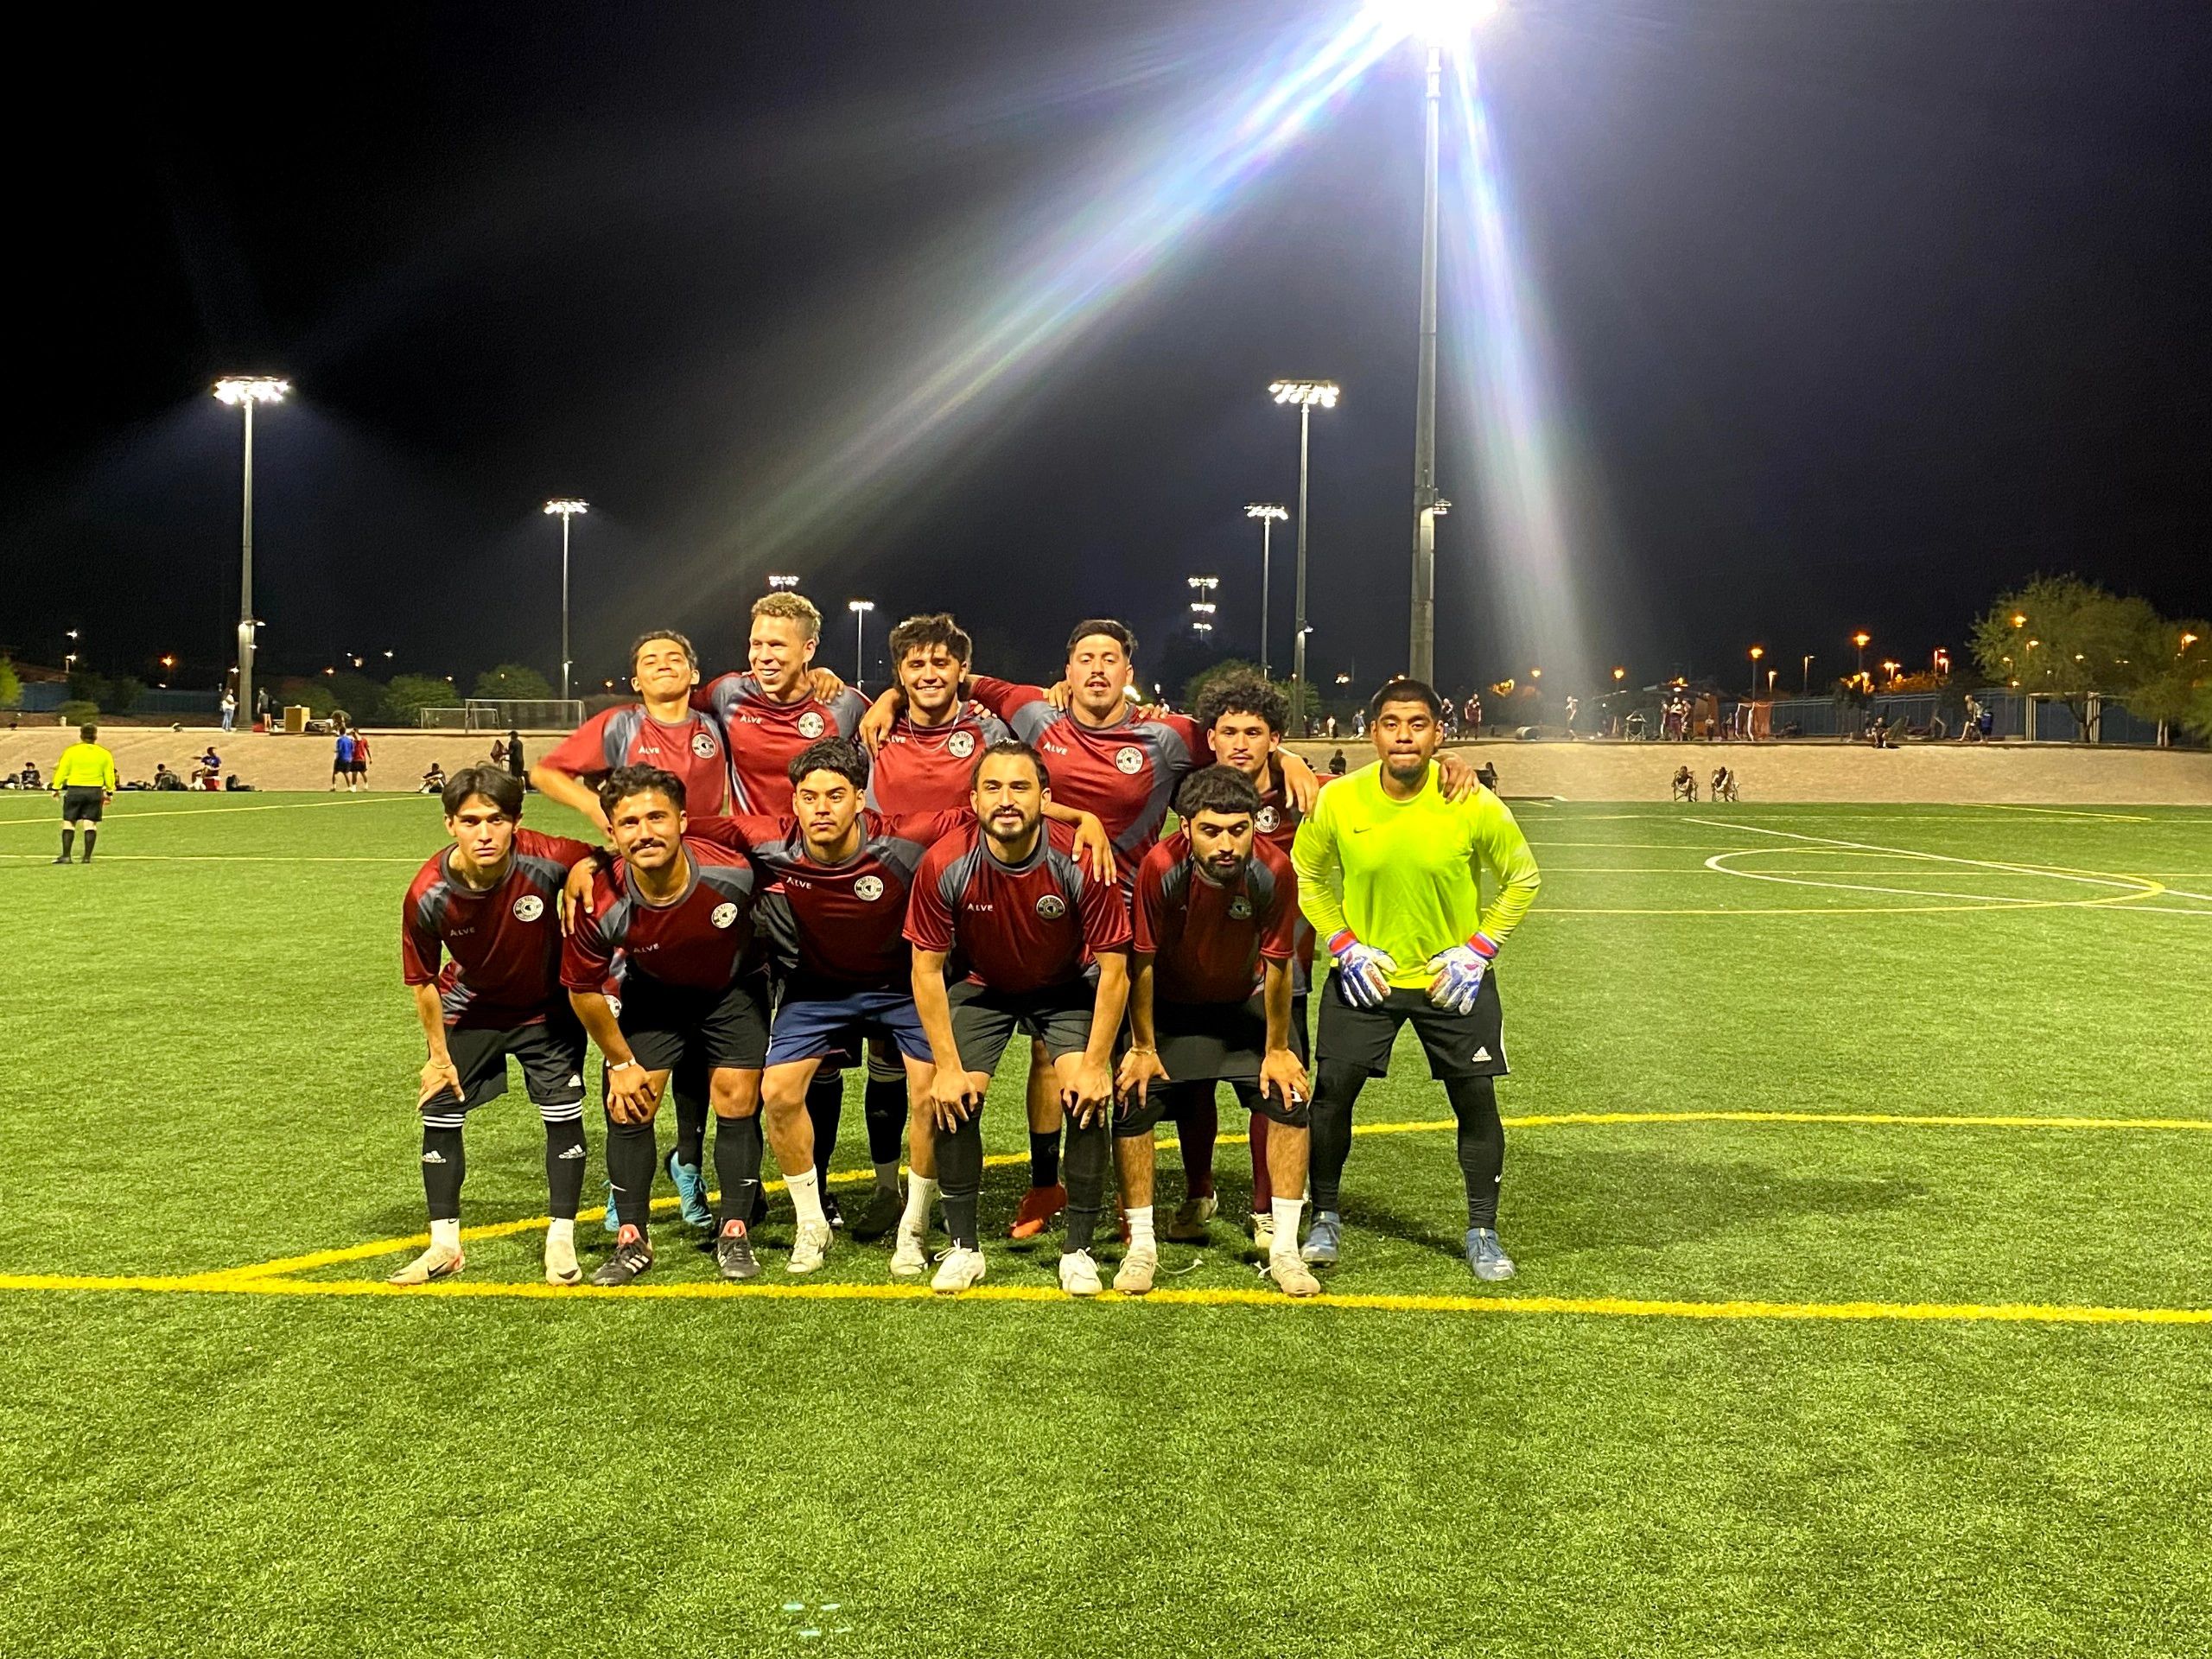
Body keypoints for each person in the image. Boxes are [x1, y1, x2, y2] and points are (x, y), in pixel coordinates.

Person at [862, 619, 1319, 1243]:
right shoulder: (1029, 711)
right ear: (1068, 669)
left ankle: (1128, 1206)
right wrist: (889, 696)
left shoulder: (1166, 734)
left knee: (1100, 1059)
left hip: (1130, 926)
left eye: (1111, 658)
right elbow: (947, 683)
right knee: (1051, 1051)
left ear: (1129, 673)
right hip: (1025, 898)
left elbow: (1237, 738)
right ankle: (1051, 1185)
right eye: (1085, 658)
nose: (1098, 669)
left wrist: (1289, 754)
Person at [679, 737, 1114, 1273]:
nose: (821, 807)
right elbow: (673, 827)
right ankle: (812, 1226)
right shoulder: (767, 839)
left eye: (835, 795)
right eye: (808, 796)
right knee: (778, 1091)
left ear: (860, 799)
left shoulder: (905, 837)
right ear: (792, 803)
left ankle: (914, 1225)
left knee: (933, 1092)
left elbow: (998, 805)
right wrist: (594, 862)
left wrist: (1083, 817)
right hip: (817, 990)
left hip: (900, 986)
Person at [1292, 677, 1541, 1281]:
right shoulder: (1341, 799)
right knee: (1331, 1098)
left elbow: (1523, 878)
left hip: (1450, 980)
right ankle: (1325, 1215)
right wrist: (1344, 944)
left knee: (1475, 1100)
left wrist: (1478, 950)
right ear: (1372, 731)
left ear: (1438, 733)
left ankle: (1483, 1228)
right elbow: (1306, 873)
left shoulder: (1471, 800)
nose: (1404, 735)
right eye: (1392, 723)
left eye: (1418, 724)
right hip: (1364, 980)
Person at [905, 741, 1132, 1296]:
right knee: (953, 1095)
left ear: (1045, 798)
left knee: (1084, 1094)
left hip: (1066, 988)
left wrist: (1098, 1064)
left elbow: (1115, 971)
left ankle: (1077, 1251)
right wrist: (949, 1067)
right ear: (974, 798)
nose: (1006, 800)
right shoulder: (945, 862)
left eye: (1020, 787)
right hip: (984, 989)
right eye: (994, 788)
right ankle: (964, 1250)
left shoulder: (1082, 859)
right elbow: (926, 971)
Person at [694, 591, 871, 1221]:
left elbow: (888, 731)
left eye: (778, 644)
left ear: (808, 649)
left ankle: (816, 1185)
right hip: (743, 890)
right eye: (757, 643)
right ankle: (726, 1183)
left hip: (815, 890)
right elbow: (663, 705)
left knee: (816, 1053)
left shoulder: (843, 703)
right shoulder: (723, 694)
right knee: (732, 1038)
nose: (765, 655)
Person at [562, 766, 773, 1286]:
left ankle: (735, 1230)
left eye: (657, 817)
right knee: (628, 1103)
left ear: (682, 821)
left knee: (736, 1098)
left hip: (734, 991)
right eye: (628, 822)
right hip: (654, 996)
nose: (645, 832)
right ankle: (632, 1239)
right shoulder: (599, 900)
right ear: (611, 834)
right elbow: (583, 990)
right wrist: (621, 1063)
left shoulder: (736, 872)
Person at [390, 767, 600, 1288]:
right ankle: (444, 1245)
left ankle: (561, 1237)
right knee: (440, 1108)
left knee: (562, 1113)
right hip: (471, 1009)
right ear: (449, 825)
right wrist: (438, 1056)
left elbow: (601, 856)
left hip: (546, 1012)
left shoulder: (542, 855)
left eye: (496, 820)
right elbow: (423, 983)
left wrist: (583, 869)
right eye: (470, 821)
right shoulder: (427, 893)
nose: (484, 833)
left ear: (516, 823)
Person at [1116, 766, 1318, 1296]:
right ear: (1186, 828)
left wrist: (1276, 1049)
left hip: (1244, 1005)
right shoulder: (1160, 868)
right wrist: (1141, 1046)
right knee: (1133, 1100)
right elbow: (1142, 962)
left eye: (1238, 830)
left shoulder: (1273, 869)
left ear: (1254, 825)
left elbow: (1278, 965)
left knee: (1291, 1099)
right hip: (1174, 1007)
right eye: (1211, 831)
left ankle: (1287, 1251)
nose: (1226, 844)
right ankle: (1141, 1247)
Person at [532, 630, 733, 831]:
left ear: (694, 675)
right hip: (645, 852)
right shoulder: (619, 724)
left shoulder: (717, 725)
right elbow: (544, 773)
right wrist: (594, 807)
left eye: (674, 659)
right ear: (636, 682)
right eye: (650, 662)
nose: (663, 666)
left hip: (707, 850)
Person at [49, 722, 117, 864]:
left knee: (69, 822)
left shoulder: (71, 752)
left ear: (81, 735)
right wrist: (110, 791)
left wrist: (56, 787)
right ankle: (86, 857)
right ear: (95, 736)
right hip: (94, 791)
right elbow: (109, 774)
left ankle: (66, 856)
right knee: (90, 824)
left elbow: (62, 770)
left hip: (75, 790)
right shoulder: (104, 753)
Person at [331, 727, 355, 791]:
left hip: (341, 758)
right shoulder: (350, 740)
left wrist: (336, 751)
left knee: (335, 772)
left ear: (340, 732)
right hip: (348, 758)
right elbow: (353, 749)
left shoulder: (340, 740)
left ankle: (334, 786)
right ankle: (350, 787)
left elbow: (340, 749)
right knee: (346, 773)